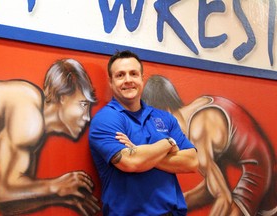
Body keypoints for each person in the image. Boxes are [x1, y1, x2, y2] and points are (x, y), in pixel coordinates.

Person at [142, 75, 277, 216]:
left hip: (257, 168)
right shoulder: (197, 107)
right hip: (264, 163)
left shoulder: (197, 133)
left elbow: (223, 197)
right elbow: (210, 190)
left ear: (166, 111)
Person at [89, 50, 199, 216]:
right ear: (111, 82)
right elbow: (130, 163)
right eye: (120, 75)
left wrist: (141, 152)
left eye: (133, 74)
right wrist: (167, 143)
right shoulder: (105, 120)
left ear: (142, 78)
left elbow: (191, 162)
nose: (128, 80)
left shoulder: (163, 117)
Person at [0, 58, 101, 215]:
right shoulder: (29, 114)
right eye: (83, 104)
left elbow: (9, 204)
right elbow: (0, 190)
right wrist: (56, 186)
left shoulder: (32, 131)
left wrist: (61, 196)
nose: (87, 117)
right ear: (63, 96)